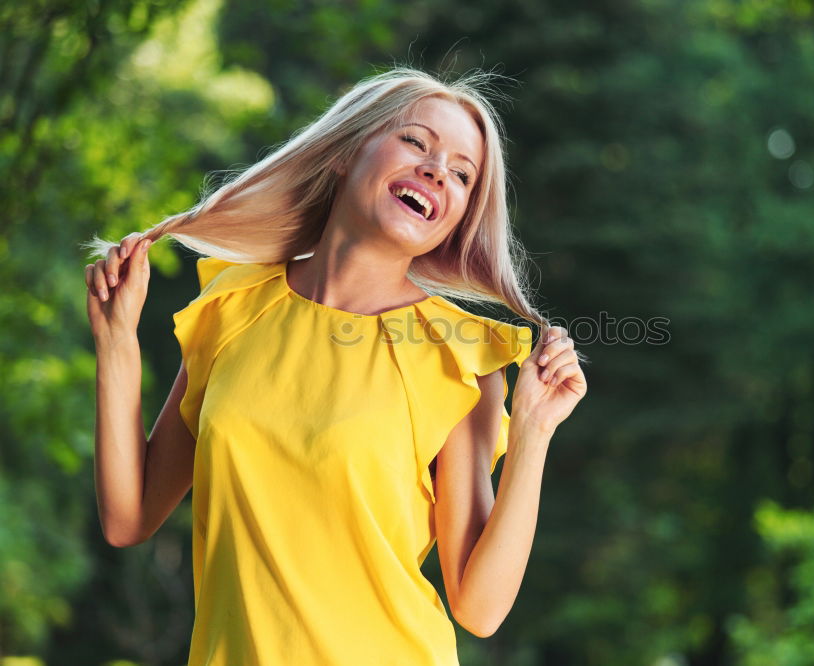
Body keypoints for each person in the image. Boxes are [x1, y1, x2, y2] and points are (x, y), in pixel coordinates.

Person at [82, 66, 587, 665]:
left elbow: (479, 608)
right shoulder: (234, 307)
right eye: (415, 142)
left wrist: (532, 435)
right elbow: (129, 517)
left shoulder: (459, 355)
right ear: (347, 152)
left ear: (457, 218)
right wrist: (117, 343)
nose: (435, 171)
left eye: (460, 175)